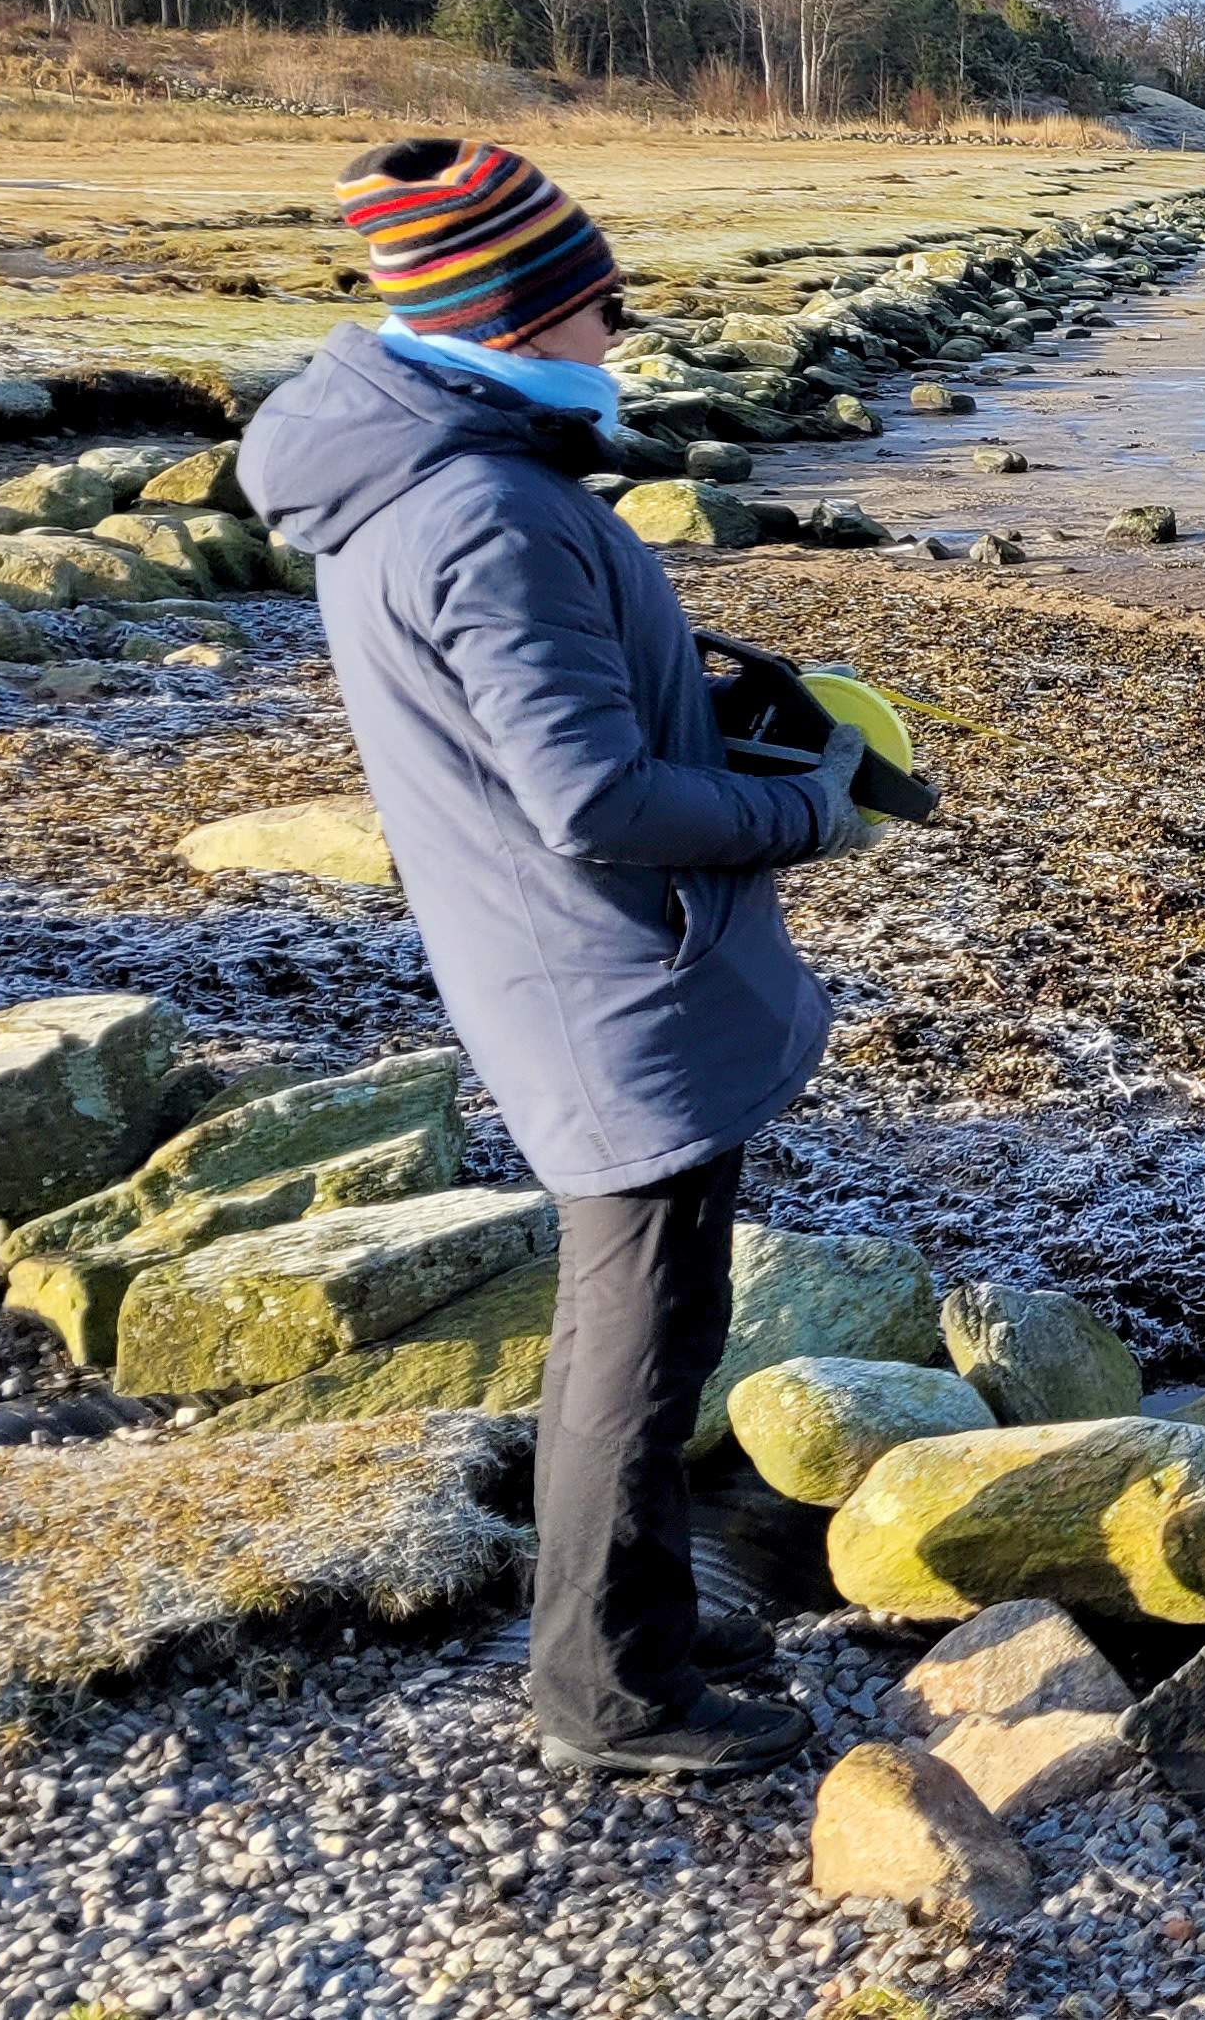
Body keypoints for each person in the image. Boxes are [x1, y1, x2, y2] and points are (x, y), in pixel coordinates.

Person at [242, 140, 875, 1779]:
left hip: (582, 968)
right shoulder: (483, 514)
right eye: (602, 297)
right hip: (609, 992)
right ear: (519, 314)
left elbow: (549, 729)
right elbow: (587, 797)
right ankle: (611, 1694)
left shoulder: (439, 478)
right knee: (636, 1348)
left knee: (650, 1330)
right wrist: (801, 805)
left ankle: (637, 1619)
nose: (623, 325)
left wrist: (716, 713)